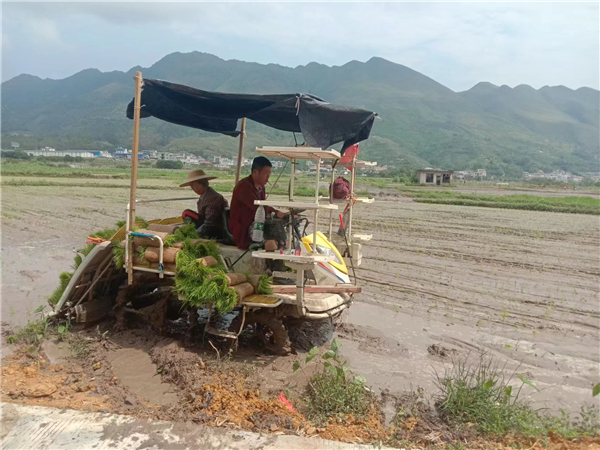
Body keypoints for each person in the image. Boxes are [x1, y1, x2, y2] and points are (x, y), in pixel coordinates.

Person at [229, 156, 286, 249]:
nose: (268, 176)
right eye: (266, 173)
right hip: (244, 228)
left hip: (257, 223)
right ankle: (272, 262)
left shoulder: (261, 187)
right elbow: (258, 207)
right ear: (255, 172)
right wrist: (277, 212)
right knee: (271, 242)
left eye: (269, 173)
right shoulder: (243, 187)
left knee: (283, 239)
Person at [180, 169, 228, 239]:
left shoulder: (213, 198)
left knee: (187, 213)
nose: (194, 189)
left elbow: (210, 223)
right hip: (211, 227)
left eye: (196, 185)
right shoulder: (203, 197)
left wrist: (194, 235)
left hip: (217, 231)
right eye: (192, 186)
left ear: (204, 183)